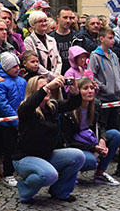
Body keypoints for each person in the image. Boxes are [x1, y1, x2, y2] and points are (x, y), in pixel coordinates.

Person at [12, 75, 85, 204]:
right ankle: (25, 189)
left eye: (48, 88)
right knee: (50, 175)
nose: (48, 91)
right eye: (43, 88)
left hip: (47, 155)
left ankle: (61, 191)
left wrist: (75, 91)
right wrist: (47, 87)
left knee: (78, 156)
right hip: (24, 158)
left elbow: (72, 104)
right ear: (34, 92)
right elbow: (29, 105)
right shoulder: (25, 109)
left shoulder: (52, 106)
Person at [59, 77, 120, 186]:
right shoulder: (68, 110)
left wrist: (103, 139)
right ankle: (68, 173)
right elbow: (67, 140)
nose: (90, 91)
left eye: (92, 88)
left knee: (115, 135)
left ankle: (100, 174)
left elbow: (102, 125)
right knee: (90, 162)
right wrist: (93, 148)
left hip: (91, 139)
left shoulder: (96, 105)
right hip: (76, 146)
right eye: (85, 88)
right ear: (77, 91)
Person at [0, 51, 24, 187]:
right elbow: (2, 104)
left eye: (17, 66)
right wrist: (15, 120)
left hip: (21, 121)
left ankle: (19, 170)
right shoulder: (1, 83)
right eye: (13, 66)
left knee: (19, 148)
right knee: (9, 149)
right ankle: (8, 173)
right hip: (9, 124)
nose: (17, 69)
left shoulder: (22, 81)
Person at [90, 26, 120, 131]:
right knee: (105, 127)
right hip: (103, 98)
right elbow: (91, 76)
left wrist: (119, 84)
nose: (113, 41)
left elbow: (119, 73)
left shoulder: (114, 55)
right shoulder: (95, 56)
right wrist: (103, 87)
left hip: (116, 96)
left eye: (113, 38)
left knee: (115, 125)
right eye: (110, 38)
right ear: (101, 39)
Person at [24, 10, 62, 74]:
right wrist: (51, 76)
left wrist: (56, 75)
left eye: (45, 21)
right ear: (33, 24)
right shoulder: (29, 41)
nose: (44, 23)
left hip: (56, 78)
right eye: (40, 21)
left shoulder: (52, 40)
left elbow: (58, 61)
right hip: (40, 79)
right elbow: (34, 63)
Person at [50, 7, 78, 72]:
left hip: (74, 73)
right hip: (57, 73)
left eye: (70, 18)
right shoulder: (50, 38)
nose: (68, 21)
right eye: (65, 18)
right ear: (58, 18)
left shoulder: (77, 37)